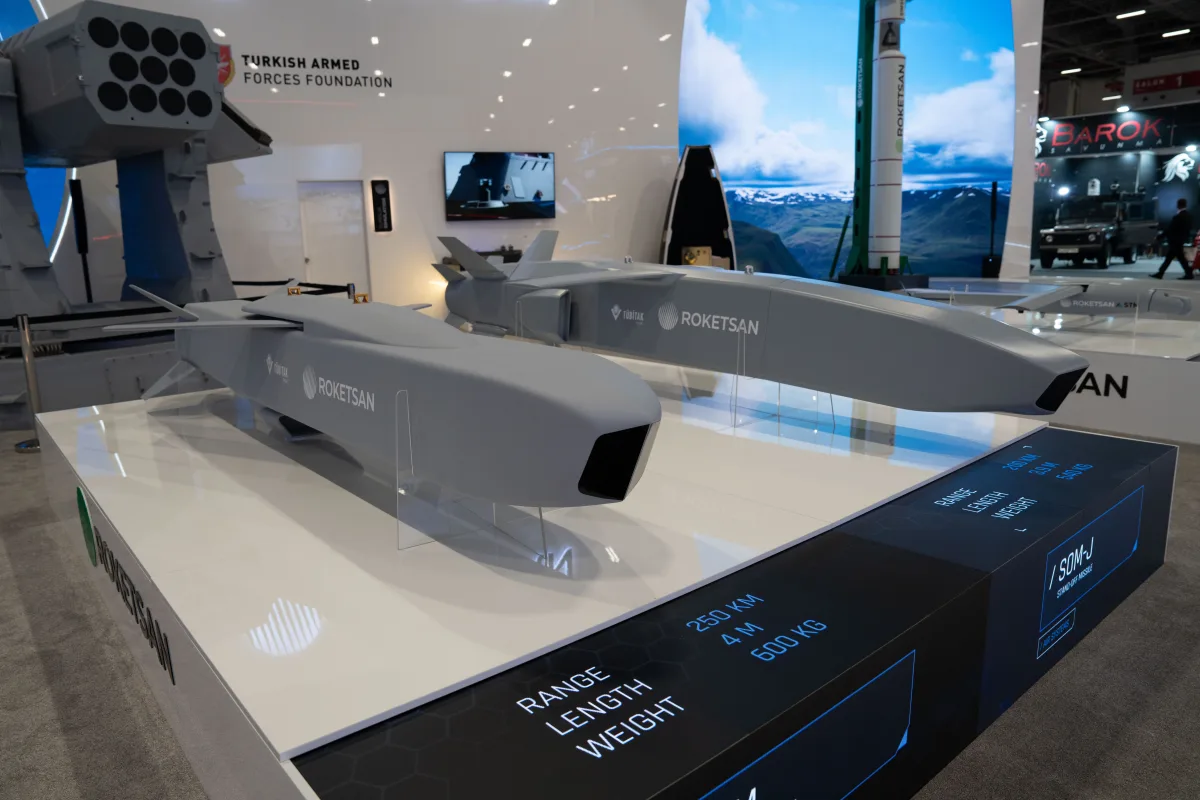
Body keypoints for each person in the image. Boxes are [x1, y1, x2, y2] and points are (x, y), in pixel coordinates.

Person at [1152, 198, 1195, 279]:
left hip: (1175, 240)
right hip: (1181, 240)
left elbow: (1170, 229)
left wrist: (1159, 237)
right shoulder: (1189, 216)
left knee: (1177, 258)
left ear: (1178, 205)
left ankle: (1188, 273)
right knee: (1173, 257)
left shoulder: (1177, 217)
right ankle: (1161, 273)